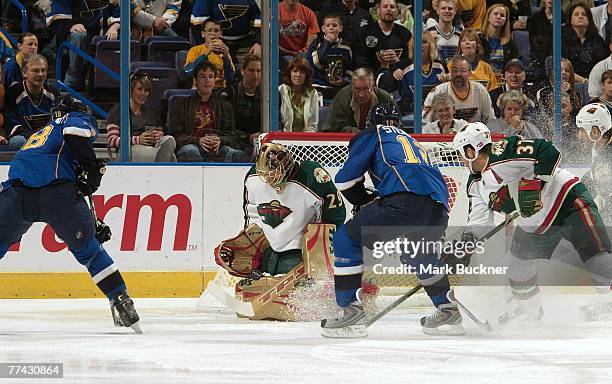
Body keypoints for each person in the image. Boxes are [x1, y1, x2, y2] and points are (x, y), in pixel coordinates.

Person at [0, 95, 141, 332]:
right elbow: (76, 133)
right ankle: (121, 301)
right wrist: (90, 166)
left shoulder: (40, 135)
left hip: (16, 194)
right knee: (90, 252)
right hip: (56, 194)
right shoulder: (72, 119)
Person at [321, 103, 462, 338]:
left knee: (346, 240)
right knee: (418, 253)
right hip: (438, 208)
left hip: (405, 201)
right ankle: (448, 311)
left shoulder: (373, 134)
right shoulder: (413, 141)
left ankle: (350, 314)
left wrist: (364, 199)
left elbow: (345, 181)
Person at [452, 122, 612, 323]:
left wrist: (535, 184)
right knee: (517, 267)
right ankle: (529, 312)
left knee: (595, 255)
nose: (458, 158)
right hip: (536, 222)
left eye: (459, 152)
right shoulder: (475, 184)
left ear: (470, 150)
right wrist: (467, 242)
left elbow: (547, 150)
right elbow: (479, 217)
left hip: (566, 200)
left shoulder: (503, 151)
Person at [219, 142, 346, 320]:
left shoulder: (311, 176)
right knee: (252, 285)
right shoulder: (253, 178)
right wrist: (251, 239)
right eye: (265, 175)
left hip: (302, 249)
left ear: (286, 166)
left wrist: (321, 246)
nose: (268, 179)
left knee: (308, 288)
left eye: (273, 174)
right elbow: (252, 212)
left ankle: (326, 292)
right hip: (272, 249)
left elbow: (336, 213)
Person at [169, 60, 246, 162]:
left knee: (236, 154)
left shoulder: (225, 106)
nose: (207, 80)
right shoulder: (181, 104)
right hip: (192, 146)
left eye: (210, 77)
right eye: (203, 76)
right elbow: (175, 136)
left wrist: (220, 141)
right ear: (195, 81)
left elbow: (232, 136)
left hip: (218, 149)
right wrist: (198, 141)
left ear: (214, 81)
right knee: (191, 151)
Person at [106, 73, 176, 162]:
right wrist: (138, 139)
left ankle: (160, 162)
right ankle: (160, 165)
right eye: (139, 89)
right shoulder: (118, 110)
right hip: (128, 151)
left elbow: (160, 132)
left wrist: (156, 136)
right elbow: (112, 140)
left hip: (151, 148)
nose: (143, 93)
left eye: (146, 90)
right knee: (171, 158)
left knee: (169, 139)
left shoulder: (151, 111)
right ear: (131, 90)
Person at [377, 32, 446, 113]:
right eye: (417, 42)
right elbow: (382, 80)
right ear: (412, 45)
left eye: (424, 42)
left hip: (437, 114)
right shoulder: (402, 66)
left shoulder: (440, 66)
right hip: (410, 115)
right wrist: (393, 73)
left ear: (431, 45)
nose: (421, 45)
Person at [4, 55, 58, 149]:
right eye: (36, 71)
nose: (40, 74)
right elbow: (13, 126)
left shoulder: (53, 93)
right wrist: (38, 136)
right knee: (17, 141)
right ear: (24, 73)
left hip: (48, 137)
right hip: (25, 138)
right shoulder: (13, 93)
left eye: (43, 70)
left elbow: (60, 122)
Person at [424, 55, 494, 124]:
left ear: (470, 73)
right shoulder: (437, 91)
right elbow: (424, 122)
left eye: (463, 70)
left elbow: (490, 121)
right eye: (454, 70)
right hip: (444, 134)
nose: (458, 74)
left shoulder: (480, 90)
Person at [321, 68, 395, 133]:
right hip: (345, 143)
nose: (361, 94)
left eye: (366, 89)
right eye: (357, 89)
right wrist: (363, 134)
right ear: (352, 87)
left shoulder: (385, 99)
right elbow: (336, 128)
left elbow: (395, 125)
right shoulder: (342, 97)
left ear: (373, 87)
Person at [190, 0, 262, 61]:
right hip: (217, 42)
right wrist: (205, 48)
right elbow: (197, 25)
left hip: (245, 44)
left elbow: (262, 23)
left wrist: (258, 42)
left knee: (252, 70)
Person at [222, 54, 262, 156]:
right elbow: (226, 127)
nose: (256, 75)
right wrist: (248, 137)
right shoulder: (229, 93)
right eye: (251, 71)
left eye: (259, 71)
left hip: (260, 142)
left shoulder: (267, 96)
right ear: (242, 71)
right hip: (235, 142)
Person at [307, 13, 354, 97]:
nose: (331, 28)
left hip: (339, 86)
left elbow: (350, 68)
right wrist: (326, 43)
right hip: (319, 84)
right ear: (323, 28)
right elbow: (316, 62)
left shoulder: (346, 47)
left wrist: (344, 80)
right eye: (328, 25)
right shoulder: (316, 44)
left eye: (334, 25)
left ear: (341, 28)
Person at [361, 0, 411, 77]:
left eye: (392, 7)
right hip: (372, 80)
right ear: (378, 10)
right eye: (385, 6)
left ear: (397, 11)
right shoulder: (365, 32)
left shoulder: (405, 34)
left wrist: (397, 61)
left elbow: (410, 59)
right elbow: (361, 61)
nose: (389, 9)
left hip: (399, 78)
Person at [184, 18, 235, 89]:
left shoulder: (224, 51)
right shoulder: (195, 50)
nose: (213, 34)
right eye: (209, 31)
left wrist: (226, 58)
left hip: (219, 90)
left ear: (220, 34)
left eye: (216, 31)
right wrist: (207, 53)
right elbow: (188, 71)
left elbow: (231, 78)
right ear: (203, 34)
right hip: (199, 88)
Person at [562, 3, 608, 80]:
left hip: (594, 81)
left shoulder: (597, 40)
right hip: (568, 82)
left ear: (589, 20)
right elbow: (562, 66)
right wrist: (583, 81)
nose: (580, 16)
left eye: (584, 14)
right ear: (570, 20)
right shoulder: (563, 38)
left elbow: (603, 66)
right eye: (576, 14)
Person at [279, 57, 319, 132]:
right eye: (295, 71)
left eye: (302, 72)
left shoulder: (313, 93)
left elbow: (313, 125)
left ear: (307, 75)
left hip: (304, 139)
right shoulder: (281, 91)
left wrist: (304, 141)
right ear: (290, 73)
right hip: (283, 137)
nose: (298, 75)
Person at [279, 0, 320, 69]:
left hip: (302, 54)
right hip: (281, 54)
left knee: (309, 61)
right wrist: (291, 53)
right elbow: (271, 43)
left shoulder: (309, 13)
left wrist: (302, 53)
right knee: (289, 61)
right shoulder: (274, 12)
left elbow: (312, 41)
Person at [479, 3, 518, 74]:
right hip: (483, 77)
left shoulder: (509, 43)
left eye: (502, 15)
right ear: (488, 18)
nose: (499, 17)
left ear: (505, 21)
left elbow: (515, 62)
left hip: (502, 78)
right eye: (495, 14)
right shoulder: (478, 39)